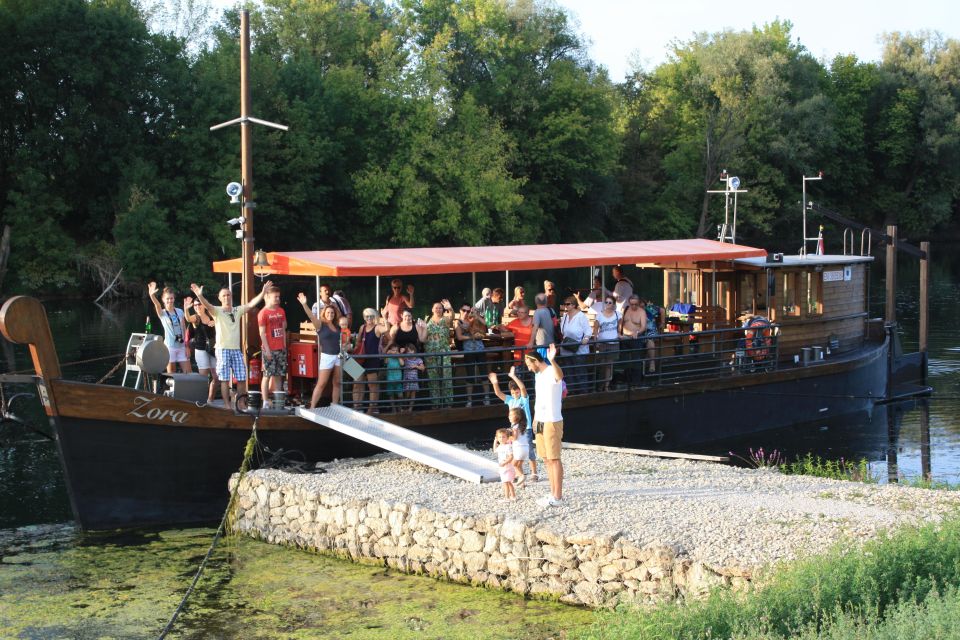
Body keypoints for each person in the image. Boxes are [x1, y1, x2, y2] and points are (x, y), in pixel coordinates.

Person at [190, 280, 271, 409]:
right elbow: (207, 305)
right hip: (222, 349)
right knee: (224, 379)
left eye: (228, 295)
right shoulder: (217, 311)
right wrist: (199, 295)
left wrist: (262, 292)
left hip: (236, 349)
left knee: (241, 377)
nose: (227, 297)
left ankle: (240, 403)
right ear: (220, 298)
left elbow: (251, 304)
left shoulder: (237, 310)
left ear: (231, 297)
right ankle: (227, 405)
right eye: (224, 295)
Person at [525, 344, 564, 507]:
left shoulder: (549, 372)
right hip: (540, 420)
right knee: (546, 458)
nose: (528, 368)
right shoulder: (539, 376)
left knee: (554, 459)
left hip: (552, 420)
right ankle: (552, 492)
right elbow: (539, 399)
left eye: (529, 365)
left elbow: (559, 377)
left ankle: (558, 496)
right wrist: (534, 419)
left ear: (535, 361)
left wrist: (552, 360)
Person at [489, 366, 538, 481]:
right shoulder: (510, 400)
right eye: (513, 392)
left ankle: (534, 473)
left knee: (530, 450)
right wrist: (495, 382)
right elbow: (498, 393)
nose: (516, 394)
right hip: (514, 429)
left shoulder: (523, 400)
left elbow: (523, 387)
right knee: (514, 451)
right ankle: (518, 473)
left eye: (517, 392)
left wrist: (513, 376)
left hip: (527, 429)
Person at [298, 292, 343, 409]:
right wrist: (304, 304)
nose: (330, 314)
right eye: (328, 312)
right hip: (327, 356)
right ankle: (312, 407)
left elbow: (344, 340)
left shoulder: (338, 326)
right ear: (324, 313)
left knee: (337, 382)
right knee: (322, 383)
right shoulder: (320, 325)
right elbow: (311, 316)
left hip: (339, 356)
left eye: (332, 313)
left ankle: (335, 406)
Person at [147, 282, 192, 374]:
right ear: (163, 299)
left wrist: (187, 346)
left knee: (188, 373)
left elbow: (184, 329)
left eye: (171, 298)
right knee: (171, 374)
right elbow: (157, 305)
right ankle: (172, 389)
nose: (170, 301)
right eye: (167, 299)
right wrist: (152, 296)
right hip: (170, 348)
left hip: (182, 346)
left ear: (174, 299)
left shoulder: (179, 311)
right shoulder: (162, 313)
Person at [352, 308, 388, 414]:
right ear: (364, 317)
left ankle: (372, 408)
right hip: (359, 358)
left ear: (375, 317)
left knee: (372, 384)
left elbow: (386, 329)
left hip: (372, 359)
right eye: (367, 316)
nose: (369, 319)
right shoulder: (362, 327)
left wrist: (384, 317)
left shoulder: (377, 328)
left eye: (371, 316)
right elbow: (358, 342)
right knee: (357, 383)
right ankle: (357, 407)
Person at [184, 295, 218, 402]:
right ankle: (201, 400)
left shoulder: (212, 316)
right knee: (203, 377)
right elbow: (188, 318)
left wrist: (216, 323)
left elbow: (222, 323)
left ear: (204, 305)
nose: (197, 306)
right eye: (195, 305)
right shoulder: (196, 318)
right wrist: (186, 309)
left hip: (212, 349)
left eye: (199, 304)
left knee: (217, 377)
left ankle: (210, 399)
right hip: (201, 350)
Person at [257, 284, 287, 408]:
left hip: (281, 348)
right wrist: (267, 350)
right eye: (275, 297)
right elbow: (262, 333)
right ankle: (265, 401)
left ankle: (278, 401)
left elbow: (284, 327)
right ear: (268, 297)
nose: (278, 300)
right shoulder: (263, 313)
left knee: (279, 375)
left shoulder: (281, 311)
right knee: (267, 375)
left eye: (279, 297)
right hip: (269, 349)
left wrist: (284, 344)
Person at [455, 305, 488, 406]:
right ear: (460, 310)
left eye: (468, 310)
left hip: (480, 349)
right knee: (470, 375)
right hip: (468, 350)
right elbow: (459, 337)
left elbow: (487, 325)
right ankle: (469, 400)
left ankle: (487, 397)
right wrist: (473, 336)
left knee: (484, 374)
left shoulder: (474, 319)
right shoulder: (458, 322)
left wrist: (477, 316)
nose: (466, 312)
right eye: (464, 310)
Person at [424, 300, 454, 408]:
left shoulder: (445, 319)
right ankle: (435, 403)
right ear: (432, 309)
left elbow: (452, 317)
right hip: (430, 353)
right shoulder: (427, 320)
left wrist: (450, 308)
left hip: (444, 352)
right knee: (433, 378)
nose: (438, 309)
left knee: (446, 376)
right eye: (436, 307)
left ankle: (448, 403)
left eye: (440, 307)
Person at [559, 296, 591, 393]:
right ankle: (572, 393)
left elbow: (588, 331)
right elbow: (562, 331)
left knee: (580, 373)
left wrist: (586, 338)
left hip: (579, 349)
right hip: (566, 348)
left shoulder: (581, 316)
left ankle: (583, 394)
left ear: (573, 305)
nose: (565, 306)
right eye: (565, 304)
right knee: (569, 374)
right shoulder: (565, 316)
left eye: (568, 304)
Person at [593, 295, 621, 392]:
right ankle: (600, 385)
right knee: (602, 364)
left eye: (610, 302)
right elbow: (595, 328)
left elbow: (620, 327)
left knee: (609, 364)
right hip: (602, 343)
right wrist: (595, 339)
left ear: (613, 304)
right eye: (606, 302)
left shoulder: (618, 314)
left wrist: (619, 334)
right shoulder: (600, 315)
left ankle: (606, 386)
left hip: (613, 342)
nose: (608, 304)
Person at [620, 294, 650, 385]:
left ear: (638, 303)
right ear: (629, 303)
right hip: (624, 338)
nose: (634, 306)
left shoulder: (642, 312)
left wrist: (637, 333)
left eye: (635, 304)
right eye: (632, 304)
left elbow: (643, 327)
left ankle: (636, 382)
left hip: (636, 338)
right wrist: (619, 333)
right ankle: (626, 380)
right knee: (625, 360)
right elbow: (621, 323)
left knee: (636, 360)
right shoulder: (625, 309)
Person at [527, 293, 556, 361]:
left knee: (543, 365)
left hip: (542, 345)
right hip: (552, 345)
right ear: (546, 301)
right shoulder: (551, 310)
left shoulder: (538, 312)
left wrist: (531, 342)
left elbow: (535, 328)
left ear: (536, 302)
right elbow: (555, 324)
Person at [493, 428, 517, 500]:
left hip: (507, 467)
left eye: (503, 437)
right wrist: (495, 441)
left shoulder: (508, 446)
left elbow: (511, 457)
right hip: (503, 467)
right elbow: (495, 450)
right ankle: (513, 496)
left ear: (507, 438)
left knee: (505, 482)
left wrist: (505, 462)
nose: (501, 439)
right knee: (508, 482)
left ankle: (507, 498)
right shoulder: (500, 446)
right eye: (499, 437)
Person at [509, 406, 531, 485]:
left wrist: (508, 438)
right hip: (525, 448)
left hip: (519, 448)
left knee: (513, 464)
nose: (509, 417)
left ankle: (521, 476)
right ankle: (522, 483)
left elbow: (515, 438)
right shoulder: (522, 426)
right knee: (519, 465)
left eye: (511, 415)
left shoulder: (515, 427)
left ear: (517, 417)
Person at [401, 345, 425, 411]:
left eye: (411, 350)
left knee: (413, 394)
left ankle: (410, 408)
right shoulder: (406, 359)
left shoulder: (418, 359)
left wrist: (416, 366)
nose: (410, 352)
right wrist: (402, 352)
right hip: (407, 379)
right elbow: (400, 359)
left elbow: (423, 368)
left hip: (414, 379)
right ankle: (405, 407)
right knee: (407, 394)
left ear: (414, 351)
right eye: (408, 351)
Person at [383, 344, 403, 412]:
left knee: (400, 395)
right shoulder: (389, 357)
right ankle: (393, 408)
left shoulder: (398, 358)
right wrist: (387, 354)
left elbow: (402, 364)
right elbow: (385, 362)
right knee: (391, 394)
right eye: (393, 350)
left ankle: (399, 407)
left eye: (396, 350)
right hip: (390, 379)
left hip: (398, 379)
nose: (394, 352)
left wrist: (399, 355)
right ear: (390, 350)